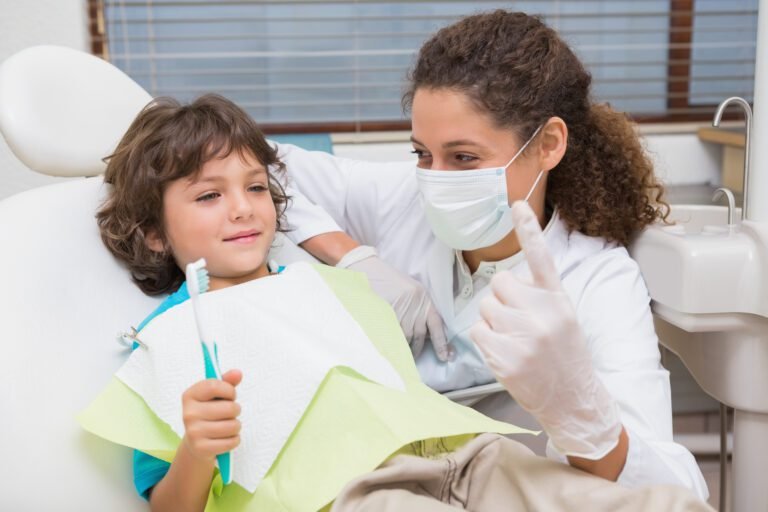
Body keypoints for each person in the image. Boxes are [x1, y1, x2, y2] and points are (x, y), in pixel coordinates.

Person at [92, 94, 713, 512]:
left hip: (463, 454)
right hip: (354, 493)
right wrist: (199, 449)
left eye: (255, 188)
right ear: (153, 231)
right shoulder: (169, 340)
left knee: (654, 504)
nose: (242, 207)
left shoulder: (323, 287)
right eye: (208, 197)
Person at [273, 10, 709, 498]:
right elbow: (248, 162)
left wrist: (584, 417)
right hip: (378, 470)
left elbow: (677, 491)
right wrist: (352, 256)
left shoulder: (596, 278)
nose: (435, 179)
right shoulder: (400, 196)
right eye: (422, 153)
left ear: (547, 145)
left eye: (464, 158)